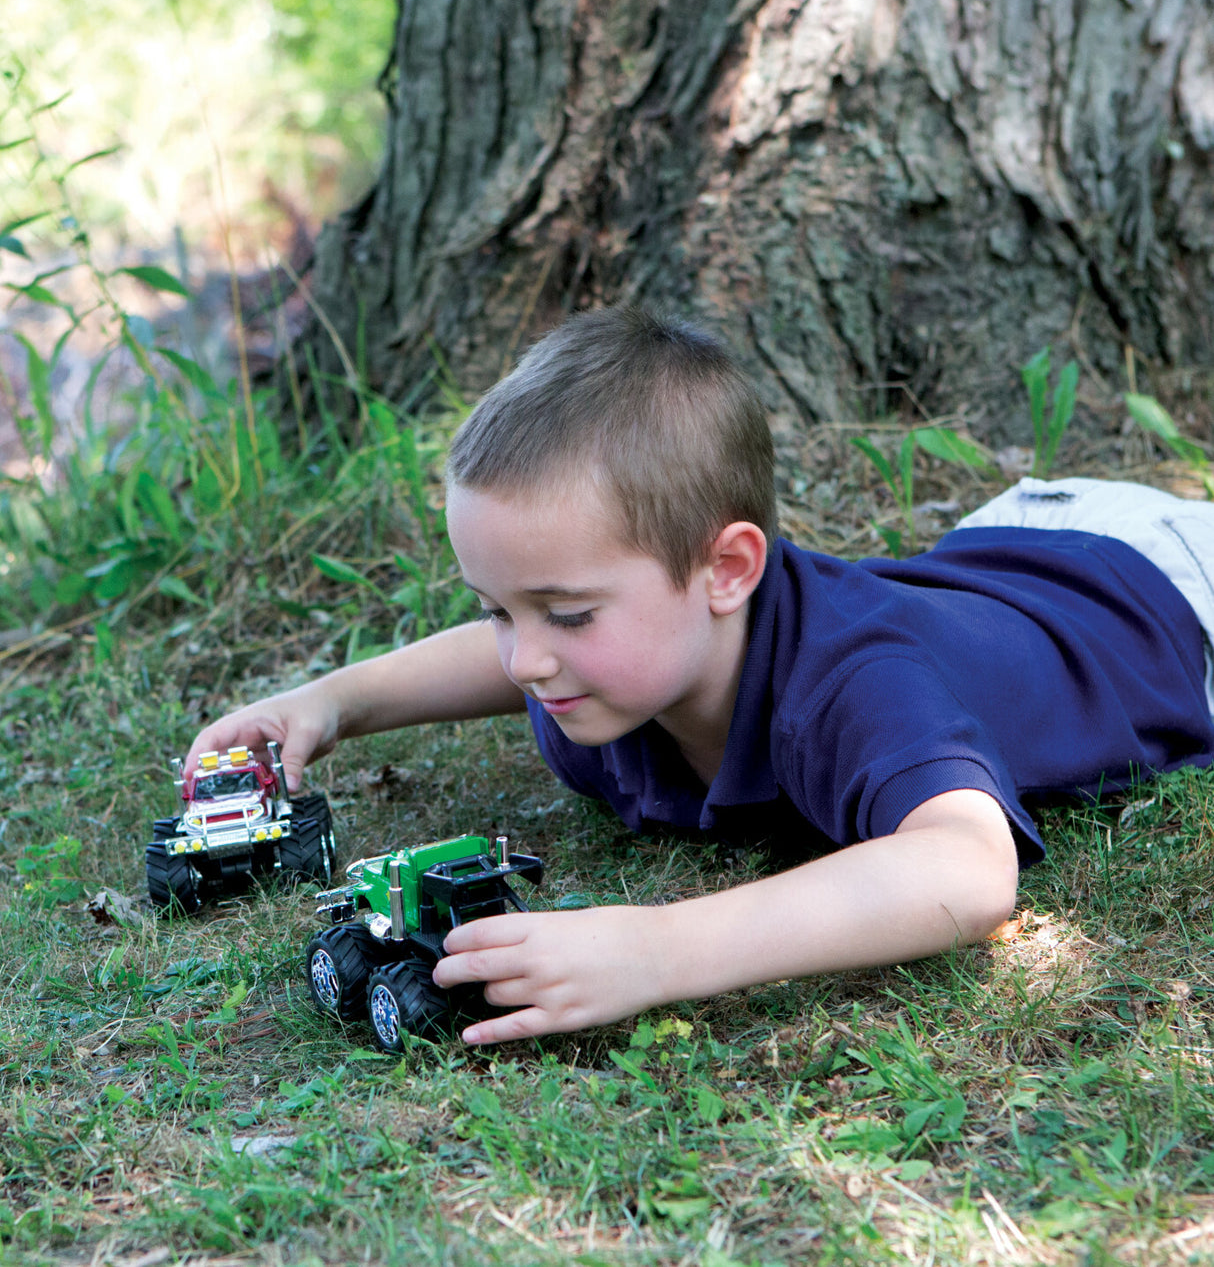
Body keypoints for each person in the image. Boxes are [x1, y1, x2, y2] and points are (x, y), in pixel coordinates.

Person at [185, 306, 1214, 1046]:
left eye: (567, 613)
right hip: (1000, 548)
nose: (524, 659)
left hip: (1160, 594)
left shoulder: (847, 685)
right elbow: (507, 654)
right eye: (501, 610)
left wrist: (656, 949)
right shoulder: (609, 671)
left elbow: (966, 871)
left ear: (726, 571)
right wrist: (334, 702)